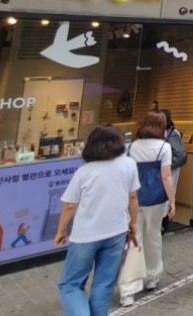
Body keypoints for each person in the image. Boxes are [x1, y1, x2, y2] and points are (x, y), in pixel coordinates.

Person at [55, 125, 140, 316]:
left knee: (70, 284)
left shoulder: (85, 171)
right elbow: (132, 197)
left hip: (86, 235)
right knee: (104, 283)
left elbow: (70, 205)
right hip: (117, 231)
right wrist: (134, 222)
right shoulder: (128, 165)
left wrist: (61, 230)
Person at [119, 112, 176, 306]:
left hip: (134, 196)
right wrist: (172, 200)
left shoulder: (132, 146)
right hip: (157, 197)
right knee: (154, 236)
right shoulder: (164, 147)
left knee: (134, 240)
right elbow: (167, 176)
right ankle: (152, 276)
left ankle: (128, 291)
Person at [161, 109, 187, 233]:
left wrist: (168, 164)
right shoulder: (166, 132)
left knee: (168, 193)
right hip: (167, 169)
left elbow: (180, 155)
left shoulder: (172, 133)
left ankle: (165, 222)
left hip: (170, 169)